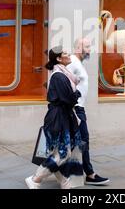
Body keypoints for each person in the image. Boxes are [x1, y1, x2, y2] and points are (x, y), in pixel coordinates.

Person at [25, 46, 84, 189]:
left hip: (63, 115)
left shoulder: (63, 74)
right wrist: (77, 94)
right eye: (65, 53)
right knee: (63, 153)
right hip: (59, 117)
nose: (68, 54)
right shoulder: (59, 76)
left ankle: (65, 183)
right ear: (58, 59)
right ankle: (35, 179)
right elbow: (68, 98)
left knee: (58, 152)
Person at [67, 38, 110, 185]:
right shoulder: (72, 61)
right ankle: (90, 174)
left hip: (78, 108)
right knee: (83, 140)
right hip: (76, 109)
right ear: (78, 47)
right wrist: (72, 107)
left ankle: (69, 171)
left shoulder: (78, 63)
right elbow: (62, 80)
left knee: (77, 141)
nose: (89, 49)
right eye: (87, 46)